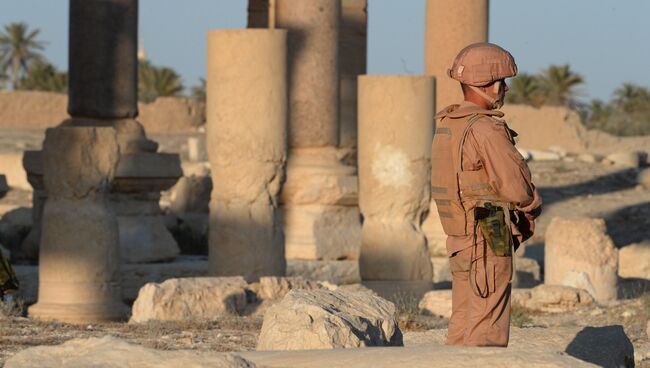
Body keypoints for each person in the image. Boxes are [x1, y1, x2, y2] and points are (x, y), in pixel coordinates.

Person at [430, 42, 542, 347]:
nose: (504, 88)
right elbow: (515, 184)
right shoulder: (485, 129)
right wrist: (531, 209)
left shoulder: (447, 125)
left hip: (460, 237)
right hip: (488, 236)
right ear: (489, 85)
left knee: (463, 322)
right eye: (501, 81)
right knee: (487, 329)